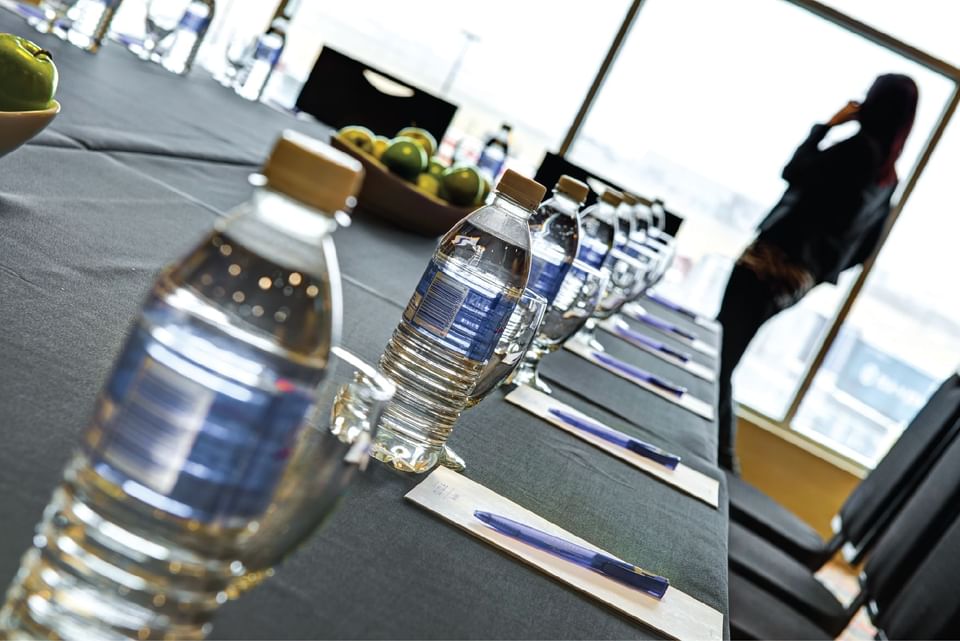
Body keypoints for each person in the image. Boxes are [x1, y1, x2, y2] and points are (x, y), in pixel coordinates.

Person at [716, 73, 919, 472]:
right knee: (724, 357)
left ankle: (723, 463)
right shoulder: (887, 177)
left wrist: (825, 127)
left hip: (766, 264)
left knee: (720, 358)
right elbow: (863, 250)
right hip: (794, 280)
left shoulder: (857, 151)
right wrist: (814, 269)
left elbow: (794, 171)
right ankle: (722, 460)